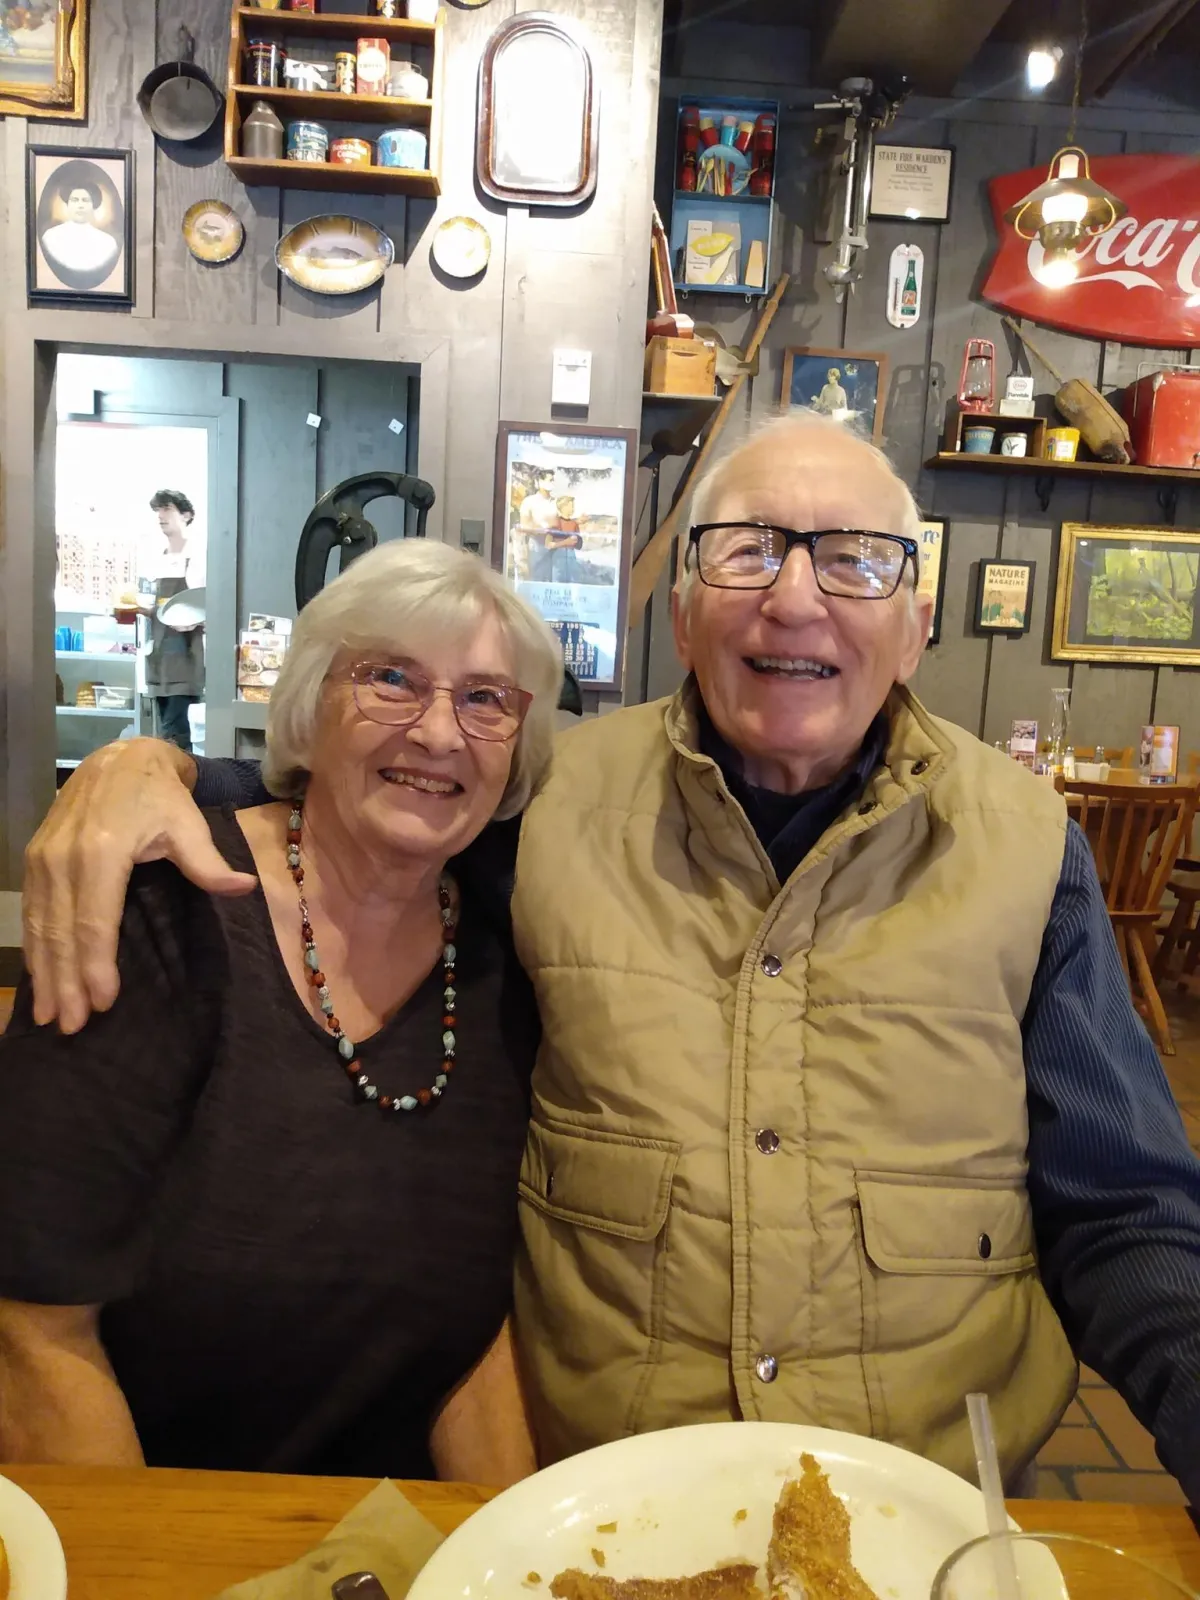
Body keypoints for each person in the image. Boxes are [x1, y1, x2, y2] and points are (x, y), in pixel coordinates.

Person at [21, 416, 1200, 1506]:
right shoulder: (553, 807)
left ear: (917, 618)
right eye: (746, 553)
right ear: (681, 613)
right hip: (611, 1508)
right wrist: (155, 776)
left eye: (854, 558)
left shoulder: (1028, 848)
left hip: (924, 1503)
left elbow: (1128, 1204)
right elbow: (373, 805)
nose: (795, 599)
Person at [0, 539, 562, 1480]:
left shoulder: (514, 943)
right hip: (167, 1513)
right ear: (309, 702)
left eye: (484, 699)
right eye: (390, 679)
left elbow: (477, 1340)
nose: (437, 733)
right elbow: (31, 1328)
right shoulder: (164, 906)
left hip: (389, 1537)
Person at [135, 490, 206, 754]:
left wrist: (193, 620)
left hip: (184, 660)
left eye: (167, 509)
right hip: (159, 659)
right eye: (158, 511)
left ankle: (180, 790)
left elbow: (207, 607)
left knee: (176, 738)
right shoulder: (157, 559)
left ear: (186, 515)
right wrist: (141, 610)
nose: (161, 516)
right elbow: (158, 607)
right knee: (164, 737)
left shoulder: (198, 556)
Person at [40, 179, 119, 279]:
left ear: (93, 205)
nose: (80, 206)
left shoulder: (108, 243)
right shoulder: (50, 237)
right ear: (67, 204)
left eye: (85, 200)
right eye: (75, 200)